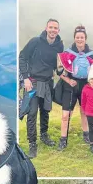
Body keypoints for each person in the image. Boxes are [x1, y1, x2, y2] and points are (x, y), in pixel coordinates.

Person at [19, 18, 64, 158]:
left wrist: (62, 70)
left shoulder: (59, 46)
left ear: (58, 30)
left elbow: (58, 68)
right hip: (32, 82)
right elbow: (22, 57)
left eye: (55, 28)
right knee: (32, 113)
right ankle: (32, 143)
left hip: (48, 82)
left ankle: (44, 135)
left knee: (45, 111)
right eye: (50, 27)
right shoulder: (35, 42)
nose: (53, 30)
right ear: (46, 28)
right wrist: (25, 78)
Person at [56, 25, 93, 151]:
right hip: (70, 86)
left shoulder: (92, 55)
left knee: (84, 112)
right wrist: (69, 80)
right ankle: (63, 139)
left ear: (85, 38)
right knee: (65, 115)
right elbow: (59, 72)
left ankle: (86, 134)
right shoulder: (67, 54)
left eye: (82, 37)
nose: (79, 39)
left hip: (85, 87)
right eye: (77, 37)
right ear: (74, 38)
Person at [81, 64, 93, 154]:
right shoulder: (85, 89)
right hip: (90, 113)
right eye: (92, 79)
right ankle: (92, 144)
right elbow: (83, 101)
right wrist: (84, 110)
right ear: (89, 79)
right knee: (92, 129)